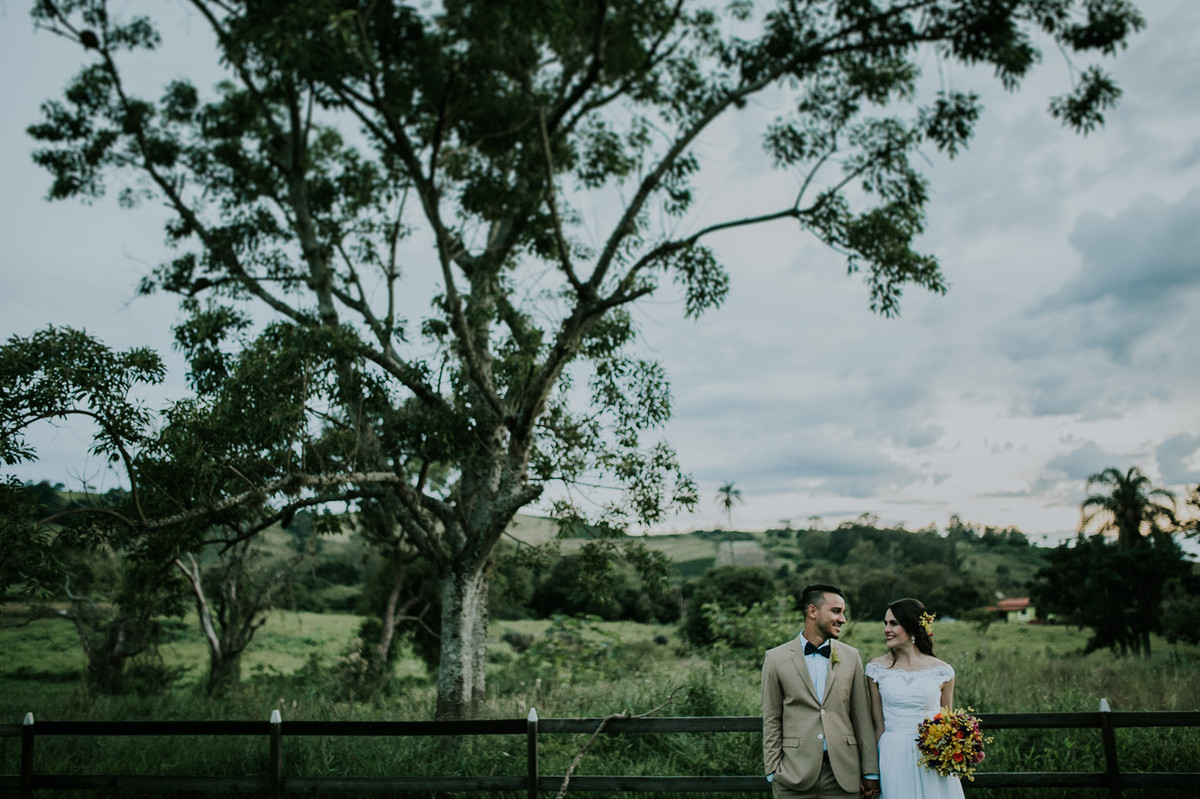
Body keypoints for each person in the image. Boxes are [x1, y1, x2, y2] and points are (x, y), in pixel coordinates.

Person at [762, 584, 880, 799]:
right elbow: (771, 718)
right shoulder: (775, 659)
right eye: (836, 611)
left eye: (843, 612)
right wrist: (772, 771)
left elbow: (861, 717)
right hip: (793, 776)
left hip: (843, 776)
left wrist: (870, 772)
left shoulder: (851, 656)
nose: (843, 619)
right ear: (813, 612)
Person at [865, 598, 964, 799]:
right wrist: (872, 772)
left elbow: (948, 724)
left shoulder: (942, 671)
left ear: (911, 627)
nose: (887, 629)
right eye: (885, 623)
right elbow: (877, 725)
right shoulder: (875, 669)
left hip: (930, 755)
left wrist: (954, 753)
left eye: (893, 623)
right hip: (892, 754)